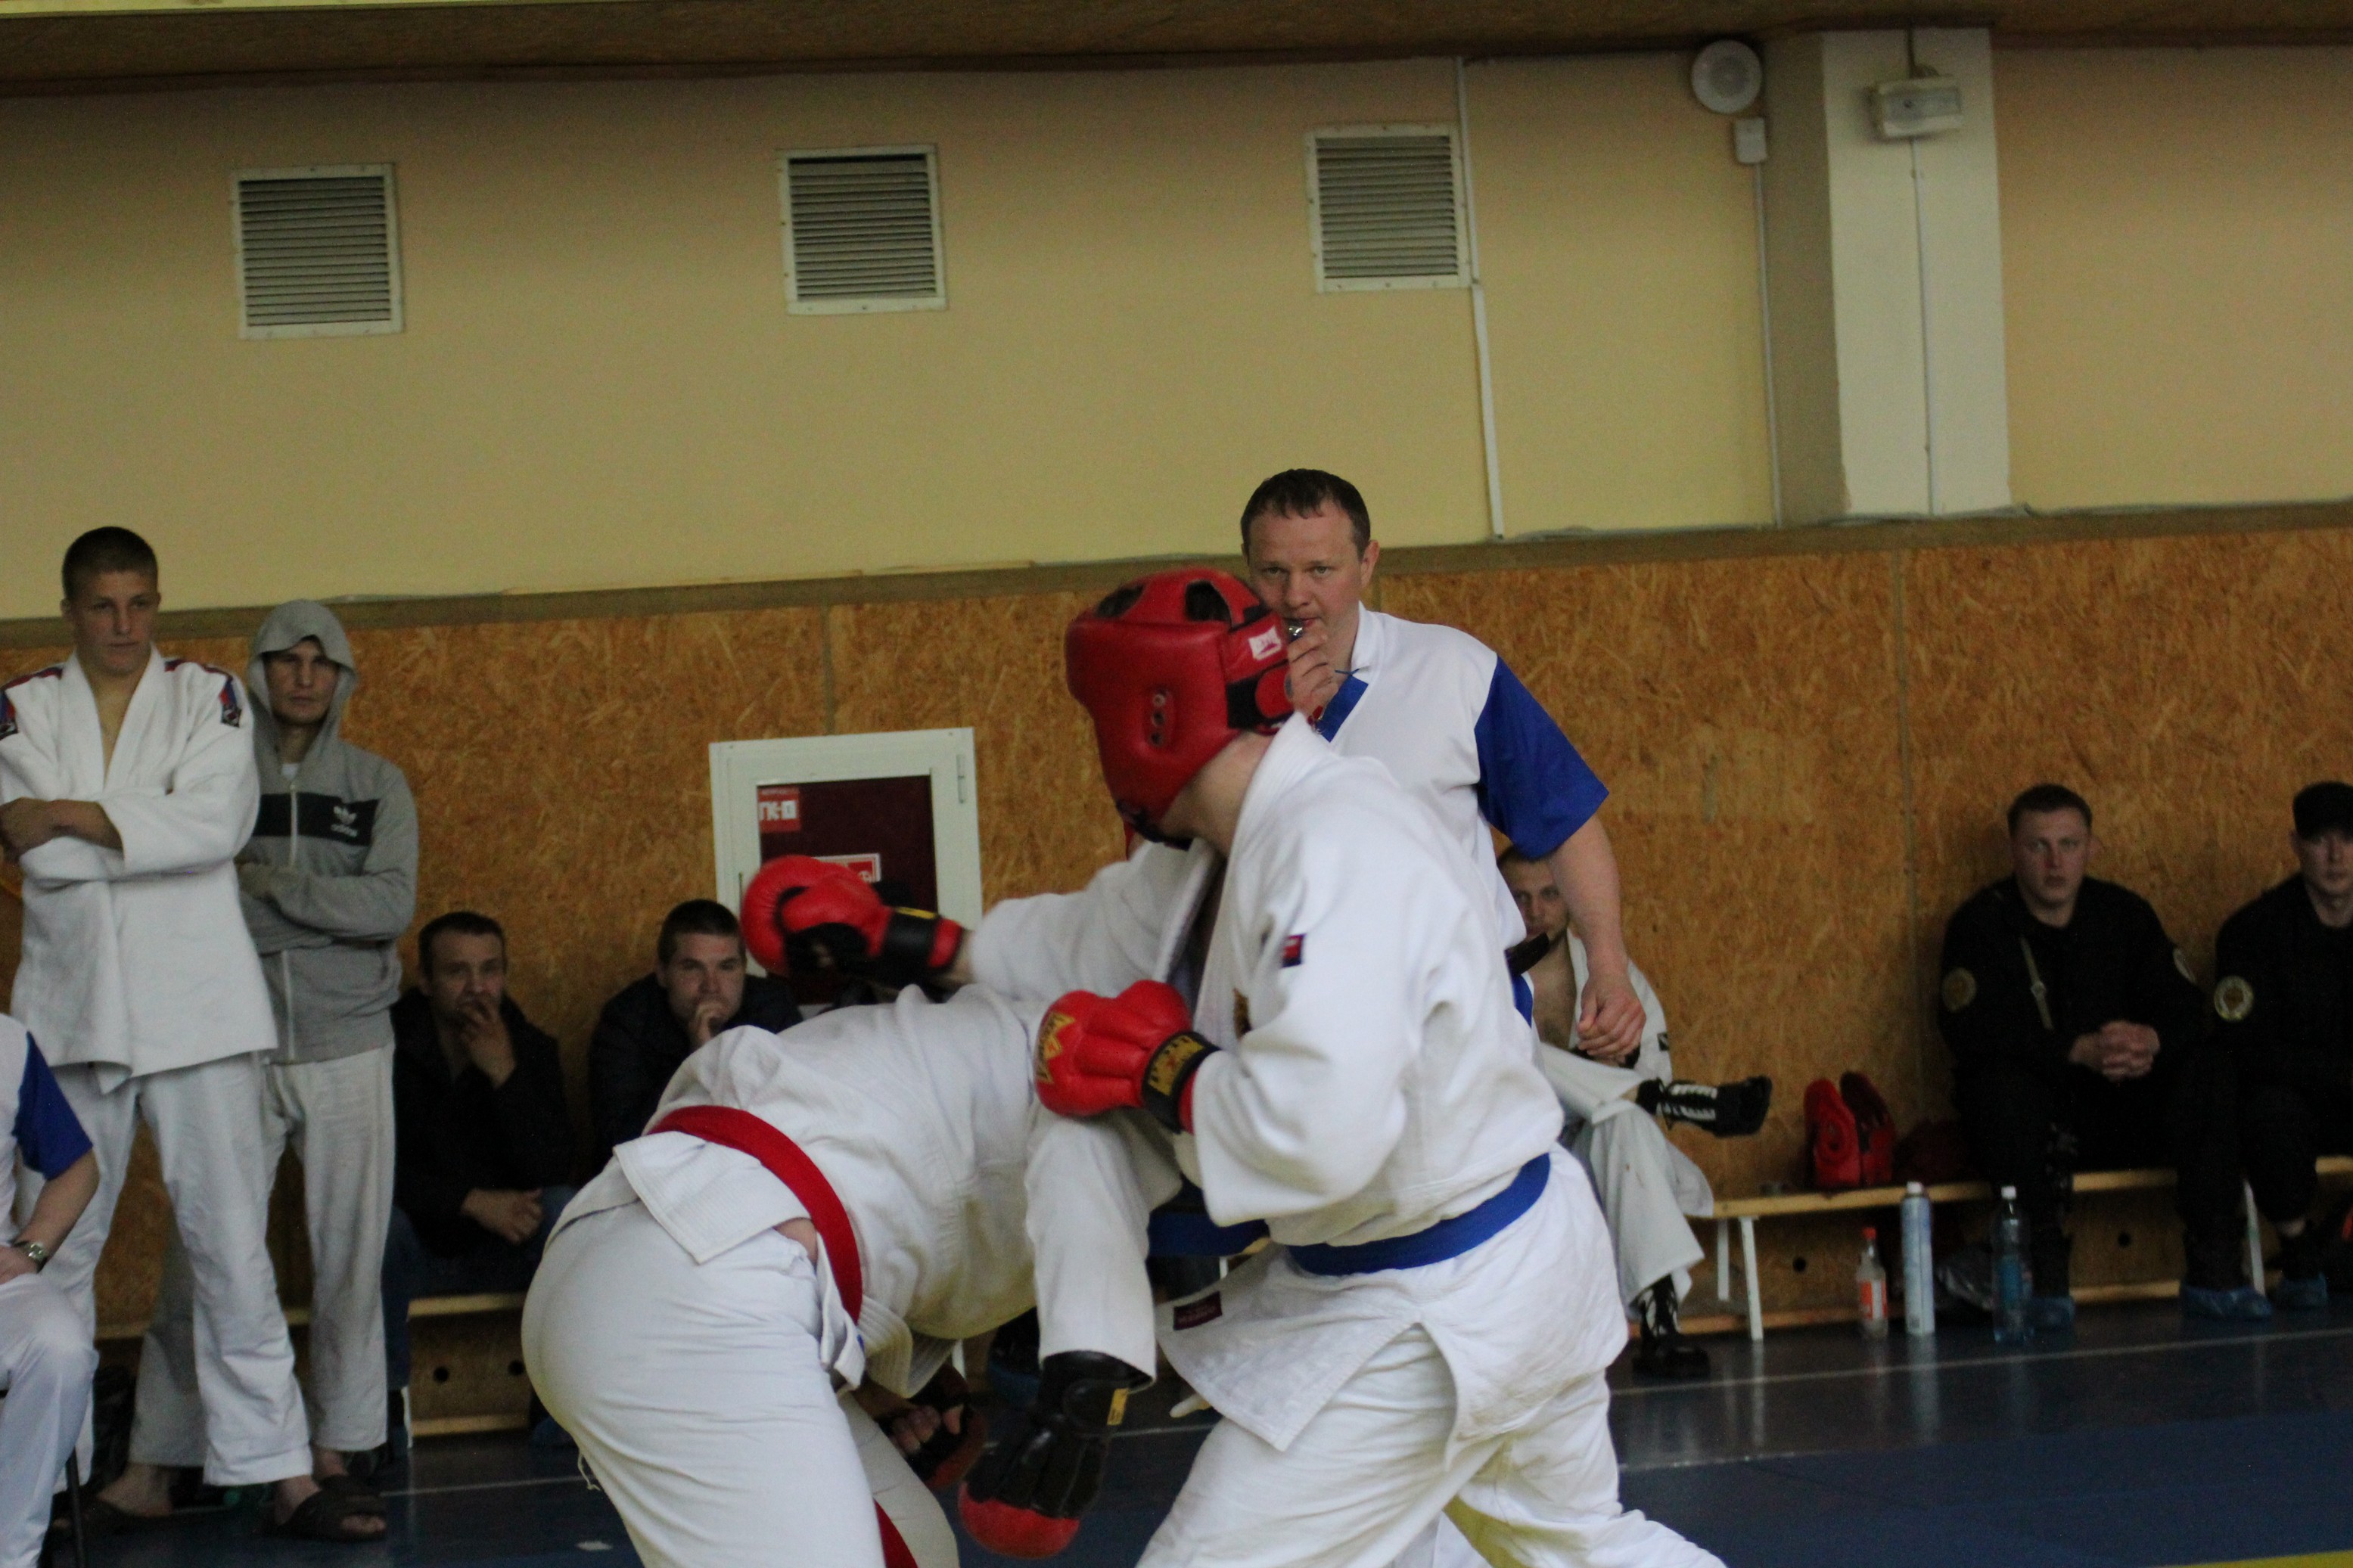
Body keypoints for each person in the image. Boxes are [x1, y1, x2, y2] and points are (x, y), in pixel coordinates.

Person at [760, 569, 1719, 1567]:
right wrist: (904, 939)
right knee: (1582, 1548)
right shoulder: (1233, 837)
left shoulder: (1334, 848)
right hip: (1487, 1260)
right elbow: (1086, 942)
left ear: (1147, 721)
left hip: (1438, 1299)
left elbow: (1321, 1131)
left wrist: (1167, 1072)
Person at [0, 529, 378, 1542]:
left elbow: (216, 829)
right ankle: (47, 1481)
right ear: (70, 611)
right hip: (75, 1008)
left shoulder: (208, 697)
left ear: (157, 605)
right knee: (54, 1249)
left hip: (198, 1008)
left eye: (140, 604)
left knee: (230, 1245)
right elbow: (38, 855)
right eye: (103, 606)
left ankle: (281, 1470)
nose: (124, 625)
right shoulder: (22, 707)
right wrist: (143, 829)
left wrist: (69, 814)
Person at [525, 975, 1153, 1568]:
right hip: (703, 1292)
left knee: (913, 1551)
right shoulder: (1099, 1083)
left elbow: (880, 1213)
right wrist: (1081, 1411)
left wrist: (888, 1383)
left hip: (623, 1247)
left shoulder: (972, 1037)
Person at [129, 601, 417, 1502]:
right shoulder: (211, 779)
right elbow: (187, 904)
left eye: (320, 661)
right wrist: (325, 918)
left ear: (342, 676)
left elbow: (391, 906)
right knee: (200, 1254)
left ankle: (339, 1447)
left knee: (350, 1260)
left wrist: (270, 886)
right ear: (256, 674)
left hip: (349, 1043)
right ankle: (159, 1458)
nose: (303, 676)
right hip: (230, 1039)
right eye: (287, 660)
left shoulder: (376, 784)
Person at [1240, 467, 1643, 1060]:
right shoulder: (1221, 702)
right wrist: (1274, 721)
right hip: (1297, 1028)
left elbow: (1565, 820)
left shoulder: (1453, 669)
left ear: (1368, 564)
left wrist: (1607, 965)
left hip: (1465, 1023)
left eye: (1321, 570)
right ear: (1247, 569)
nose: (1296, 595)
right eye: (1274, 571)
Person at [1938, 783, 2261, 1324]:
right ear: (2013, 850)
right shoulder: (1981, 925)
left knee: (2209, 1069)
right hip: (2040, 1121)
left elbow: (2186, 1007)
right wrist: (2074, 1049)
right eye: (2039, 846)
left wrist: (2150, 1040)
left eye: (2069, 844)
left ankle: (2216, 1267)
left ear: (2092, 847)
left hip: (2126, 1107)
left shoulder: (2124, 915)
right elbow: (1971, 1030)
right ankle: (2043, 1271)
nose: (2055, 862)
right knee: (1997, 1086)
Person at [1501, 848, 1769, 1380]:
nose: (1535, 911)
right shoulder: (1484, 979)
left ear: (1570, 898)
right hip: (1520, 1163)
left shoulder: (1612, 980)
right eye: (1520, 897)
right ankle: (1679, 1101)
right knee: (1518, 1055)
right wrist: (1589, 1074)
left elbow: (1652, 1063)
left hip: (1602, 1163)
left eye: (1550, 894)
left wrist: (1610, 1077)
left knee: (1625, 1122)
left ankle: (1660, 1323)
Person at [383, 912, 576, 1423]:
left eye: (490, 970)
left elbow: (555, 1166)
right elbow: (371, 1172)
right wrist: (469, 1201)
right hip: (414, 1250)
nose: (477, 987)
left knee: (562, 1209)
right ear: (426, 980)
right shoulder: (386, 1046)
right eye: (457, 972)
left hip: (503, 1249)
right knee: (378, 1225)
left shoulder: (529, 1046)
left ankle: (558, 1415)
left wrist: (504, 1074)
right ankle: (381, 1416)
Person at [2213, 781, 2353, 1309]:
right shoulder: (2254, 931)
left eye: (2349, 839)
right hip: (2296, 1096)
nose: (2337, 855)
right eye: (2320, 840)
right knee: (2270, 1113)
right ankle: (2298, 1252)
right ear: (2296, 845)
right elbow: (2246, 1047)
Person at [588, 899, 801, 1166]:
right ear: (663, 973)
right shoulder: (625, 1021)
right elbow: (620, 1138)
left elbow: (800, 1111)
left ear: (744, 968)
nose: (711, 986)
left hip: (753, 1167)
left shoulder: (772, 1007)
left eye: (727, 967)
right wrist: (697, 1064)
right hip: (658, 1173)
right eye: (692, 967)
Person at [1, 1020, 100, 1568]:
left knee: (60, 1351)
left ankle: (10, 1554)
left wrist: (32, 1248)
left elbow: (78, 1166)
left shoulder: (7, 1044)